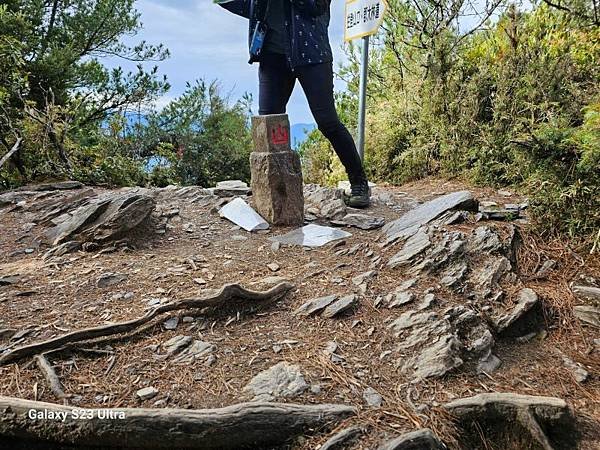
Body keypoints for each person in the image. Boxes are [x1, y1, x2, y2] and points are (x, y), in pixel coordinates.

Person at [217, 0, 370, 208]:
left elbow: (316, 7)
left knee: (328, 122)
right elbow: (248, 7)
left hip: (313, 54)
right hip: (272, 56)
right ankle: (272, 189)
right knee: (268, 126)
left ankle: (359, 183)